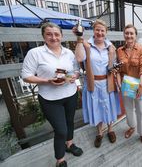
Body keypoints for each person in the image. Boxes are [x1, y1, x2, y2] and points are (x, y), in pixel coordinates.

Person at [21, 22, 83, 167]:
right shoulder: (35, 53)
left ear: (61, 36)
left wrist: (75, 76)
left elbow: (76, 69)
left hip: (70, 93)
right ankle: (60, 159)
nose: (53, 37)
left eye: (56, 34)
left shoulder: (68, 52)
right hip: (50, 98)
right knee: (60, 130)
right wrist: (47, 81)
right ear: (43, 36)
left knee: (69, 122)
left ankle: (69, 144)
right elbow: (26, 76)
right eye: (49, 34)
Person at [73, 19, 121, 148]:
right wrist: (79, 39)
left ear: (106, 32)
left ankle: (110, 129)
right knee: (98, 107)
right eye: (97, 30)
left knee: (109, 107)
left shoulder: (111, 48)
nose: (100, 33)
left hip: (108, 81)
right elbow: (78, 58)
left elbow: (114, 64)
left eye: (102, 30)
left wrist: (115, 67)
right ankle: (99, 132)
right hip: (93, 83)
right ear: (93, 31)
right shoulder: (86, 45)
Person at [117, 24, 142, 147]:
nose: (129, 35)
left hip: (139, 84)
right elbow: (119, 70)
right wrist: (119, 84)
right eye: (127, 33)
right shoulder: (119, 51)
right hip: (126, 86)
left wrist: (141, 85)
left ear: (135, 35)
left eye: (131, 33)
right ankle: (132, 126)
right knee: (129, 109)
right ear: (124, 35)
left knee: (141, 110)